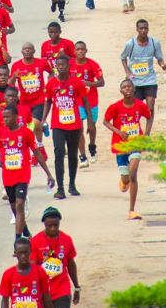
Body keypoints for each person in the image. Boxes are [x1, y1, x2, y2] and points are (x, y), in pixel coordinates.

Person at [0, 104, 55, 244]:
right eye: (3, 117)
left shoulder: (26, 133)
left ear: (16, 118)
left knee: (19, 205)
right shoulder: (0, 133)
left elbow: (36, 152)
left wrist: (48, 173)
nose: (5, 119)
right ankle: (25, 232)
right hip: (7, 177)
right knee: (14, 208)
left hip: (22, 175)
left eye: (7, 117)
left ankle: (18, 241)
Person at [42, 54, 94, 201]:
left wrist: (90, 121)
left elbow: (85, 101)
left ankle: (72, 184)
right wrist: (43, 119)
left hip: (74, 124)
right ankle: (60, 188)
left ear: (68, 66)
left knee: (72, 155)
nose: (61, 67)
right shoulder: (51, 83)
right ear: (56, 66)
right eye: (58, 64)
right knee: (59, 153)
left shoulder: (76, 83)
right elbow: (48, 101)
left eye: (63, 64)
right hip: (58, 125)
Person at [103, 78, 152, 220]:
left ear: (134, 89)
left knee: (133, 173)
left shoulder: (140, 105)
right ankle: (124, 181)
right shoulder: (115, 107)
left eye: (129, 86)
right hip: (121, 147)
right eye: (124, 87)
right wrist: (119, 132)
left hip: (135, 144)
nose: (127, 89)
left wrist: (146, 135)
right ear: (121, 91)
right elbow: (105, 121)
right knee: (126, 179)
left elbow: (149, 117)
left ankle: (132, 210)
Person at [30, 208, 80, 308]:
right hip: (42, 291)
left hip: (62, 289)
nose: (53, 229)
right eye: (49, 226)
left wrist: (76, 287)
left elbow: (71, 264)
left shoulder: (67, 239)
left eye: (56, 225)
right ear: (44, 224)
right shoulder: (35, 241)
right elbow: (32, 268)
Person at [121, 19, 166, 126]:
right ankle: (136, 129)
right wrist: (127, 72)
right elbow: (123, 58)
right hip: (135, 82)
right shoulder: (130, 44)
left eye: (145, 28)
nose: (143, 31)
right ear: (137, 29)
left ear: (148, 29)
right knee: (135, 109)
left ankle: (147, 134)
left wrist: (162, 64)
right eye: (141, 28)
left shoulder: (154, 43)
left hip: (150, 80)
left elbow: (159, 57)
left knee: (150, 108)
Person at [0, 237, 53, 308]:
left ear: (30, 251)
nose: (23, 256)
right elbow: (5, 300)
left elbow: (46, 297)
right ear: (15, 253)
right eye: (20, 253)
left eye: (26, 252)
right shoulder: (8, 274)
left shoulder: (39, 271)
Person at [70, 41, 104, 170]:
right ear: (74, 51)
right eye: (78, 49)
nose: (80, 51)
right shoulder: (70, 64)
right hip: (76, 101)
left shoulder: (92, 64)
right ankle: (83, 156)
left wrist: (88, 83)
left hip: (91, 100)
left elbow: (102, 82)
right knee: (78, 128)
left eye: (82, 49)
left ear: (86, 50)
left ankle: (92, 146)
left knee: (92, 126)